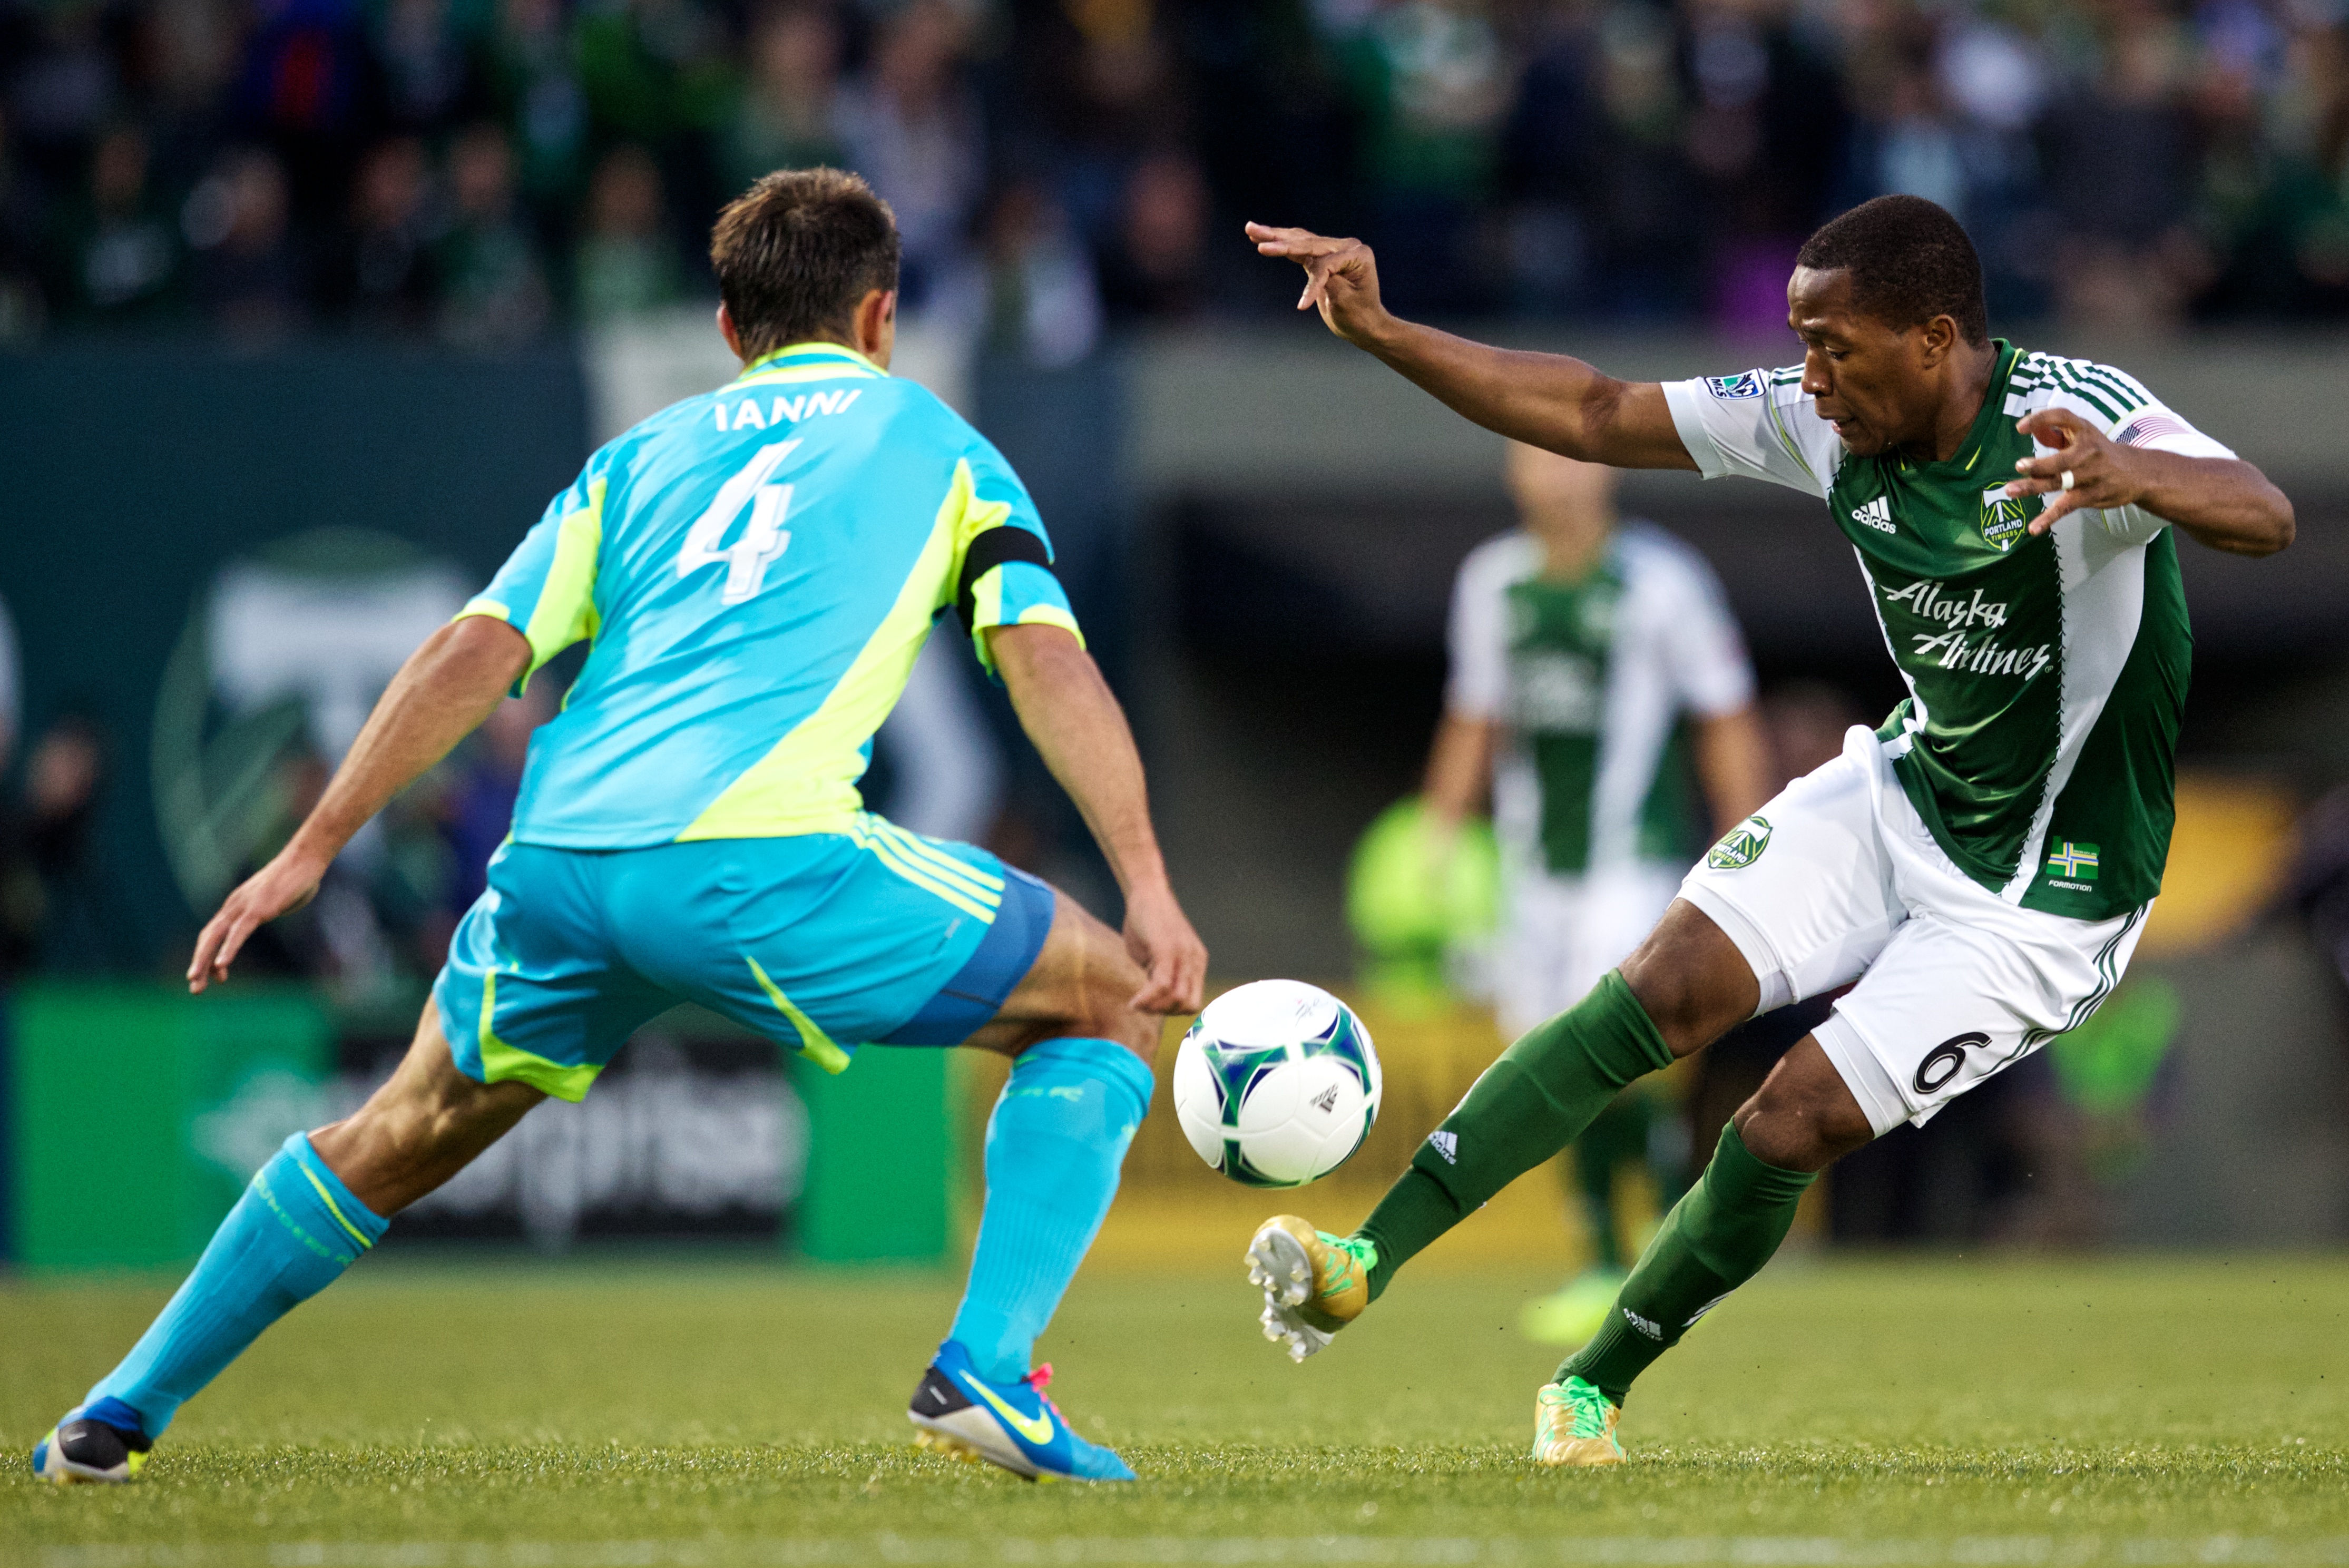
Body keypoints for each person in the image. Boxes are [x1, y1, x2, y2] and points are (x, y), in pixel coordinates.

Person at [33, 168, 1206, 1489]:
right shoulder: (941, 446)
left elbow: (473, 653)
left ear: (728, 328)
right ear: (881, 317)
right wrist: (1148, 880)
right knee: (1107, 1000)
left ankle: (113, 1413)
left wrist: (310, 846)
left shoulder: (634, 461)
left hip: (557, 868)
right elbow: (1045, 662)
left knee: (397, 1130)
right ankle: (987, 1368)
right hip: (756, 862)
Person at [1239, 193, 2293, 1465]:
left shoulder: (2074, 419)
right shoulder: (1821, 420)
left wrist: (2139, 478)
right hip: (1907, 792)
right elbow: (1592, 411)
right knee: (1663, 985)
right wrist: (1386, 333)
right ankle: (1363, 1258)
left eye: (1833, 348)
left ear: (1932, 337)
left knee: (1786, 1121)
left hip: (2047, 897)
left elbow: (2265, 512)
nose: (1809, 378)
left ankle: (1592, 1385)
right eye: (1801, 346)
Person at [1423, 442, 1767, 1346]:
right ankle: (1603, 1262)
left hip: (1632, 863)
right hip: (1530, 871)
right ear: (1511, 476)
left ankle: (1652, 1252)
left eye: (1568, 461)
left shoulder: (1661, 581)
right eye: (1534, 462)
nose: (1557, 477)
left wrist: (1749, 833)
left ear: (1603, 470)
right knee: (1548, 1062)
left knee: (1609, 1049)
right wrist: (1439, 833)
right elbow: (1475, 714)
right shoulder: (1490, 582)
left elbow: (1722, 708)